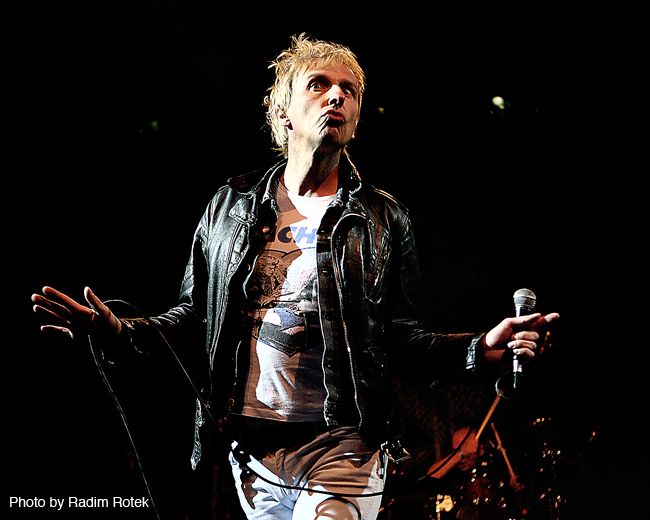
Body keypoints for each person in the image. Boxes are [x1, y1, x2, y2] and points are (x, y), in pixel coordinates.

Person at [31, 33, 559, 520]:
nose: (337, 96)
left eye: (349, 90)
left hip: (343, 444)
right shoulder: (230, 207)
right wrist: (118, 332)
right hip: (251, 453)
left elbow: (399, 338)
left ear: (356, 119)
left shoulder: (382, 218)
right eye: (319, 84)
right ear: (283, 111)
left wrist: (477, 349)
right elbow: (194, 319)